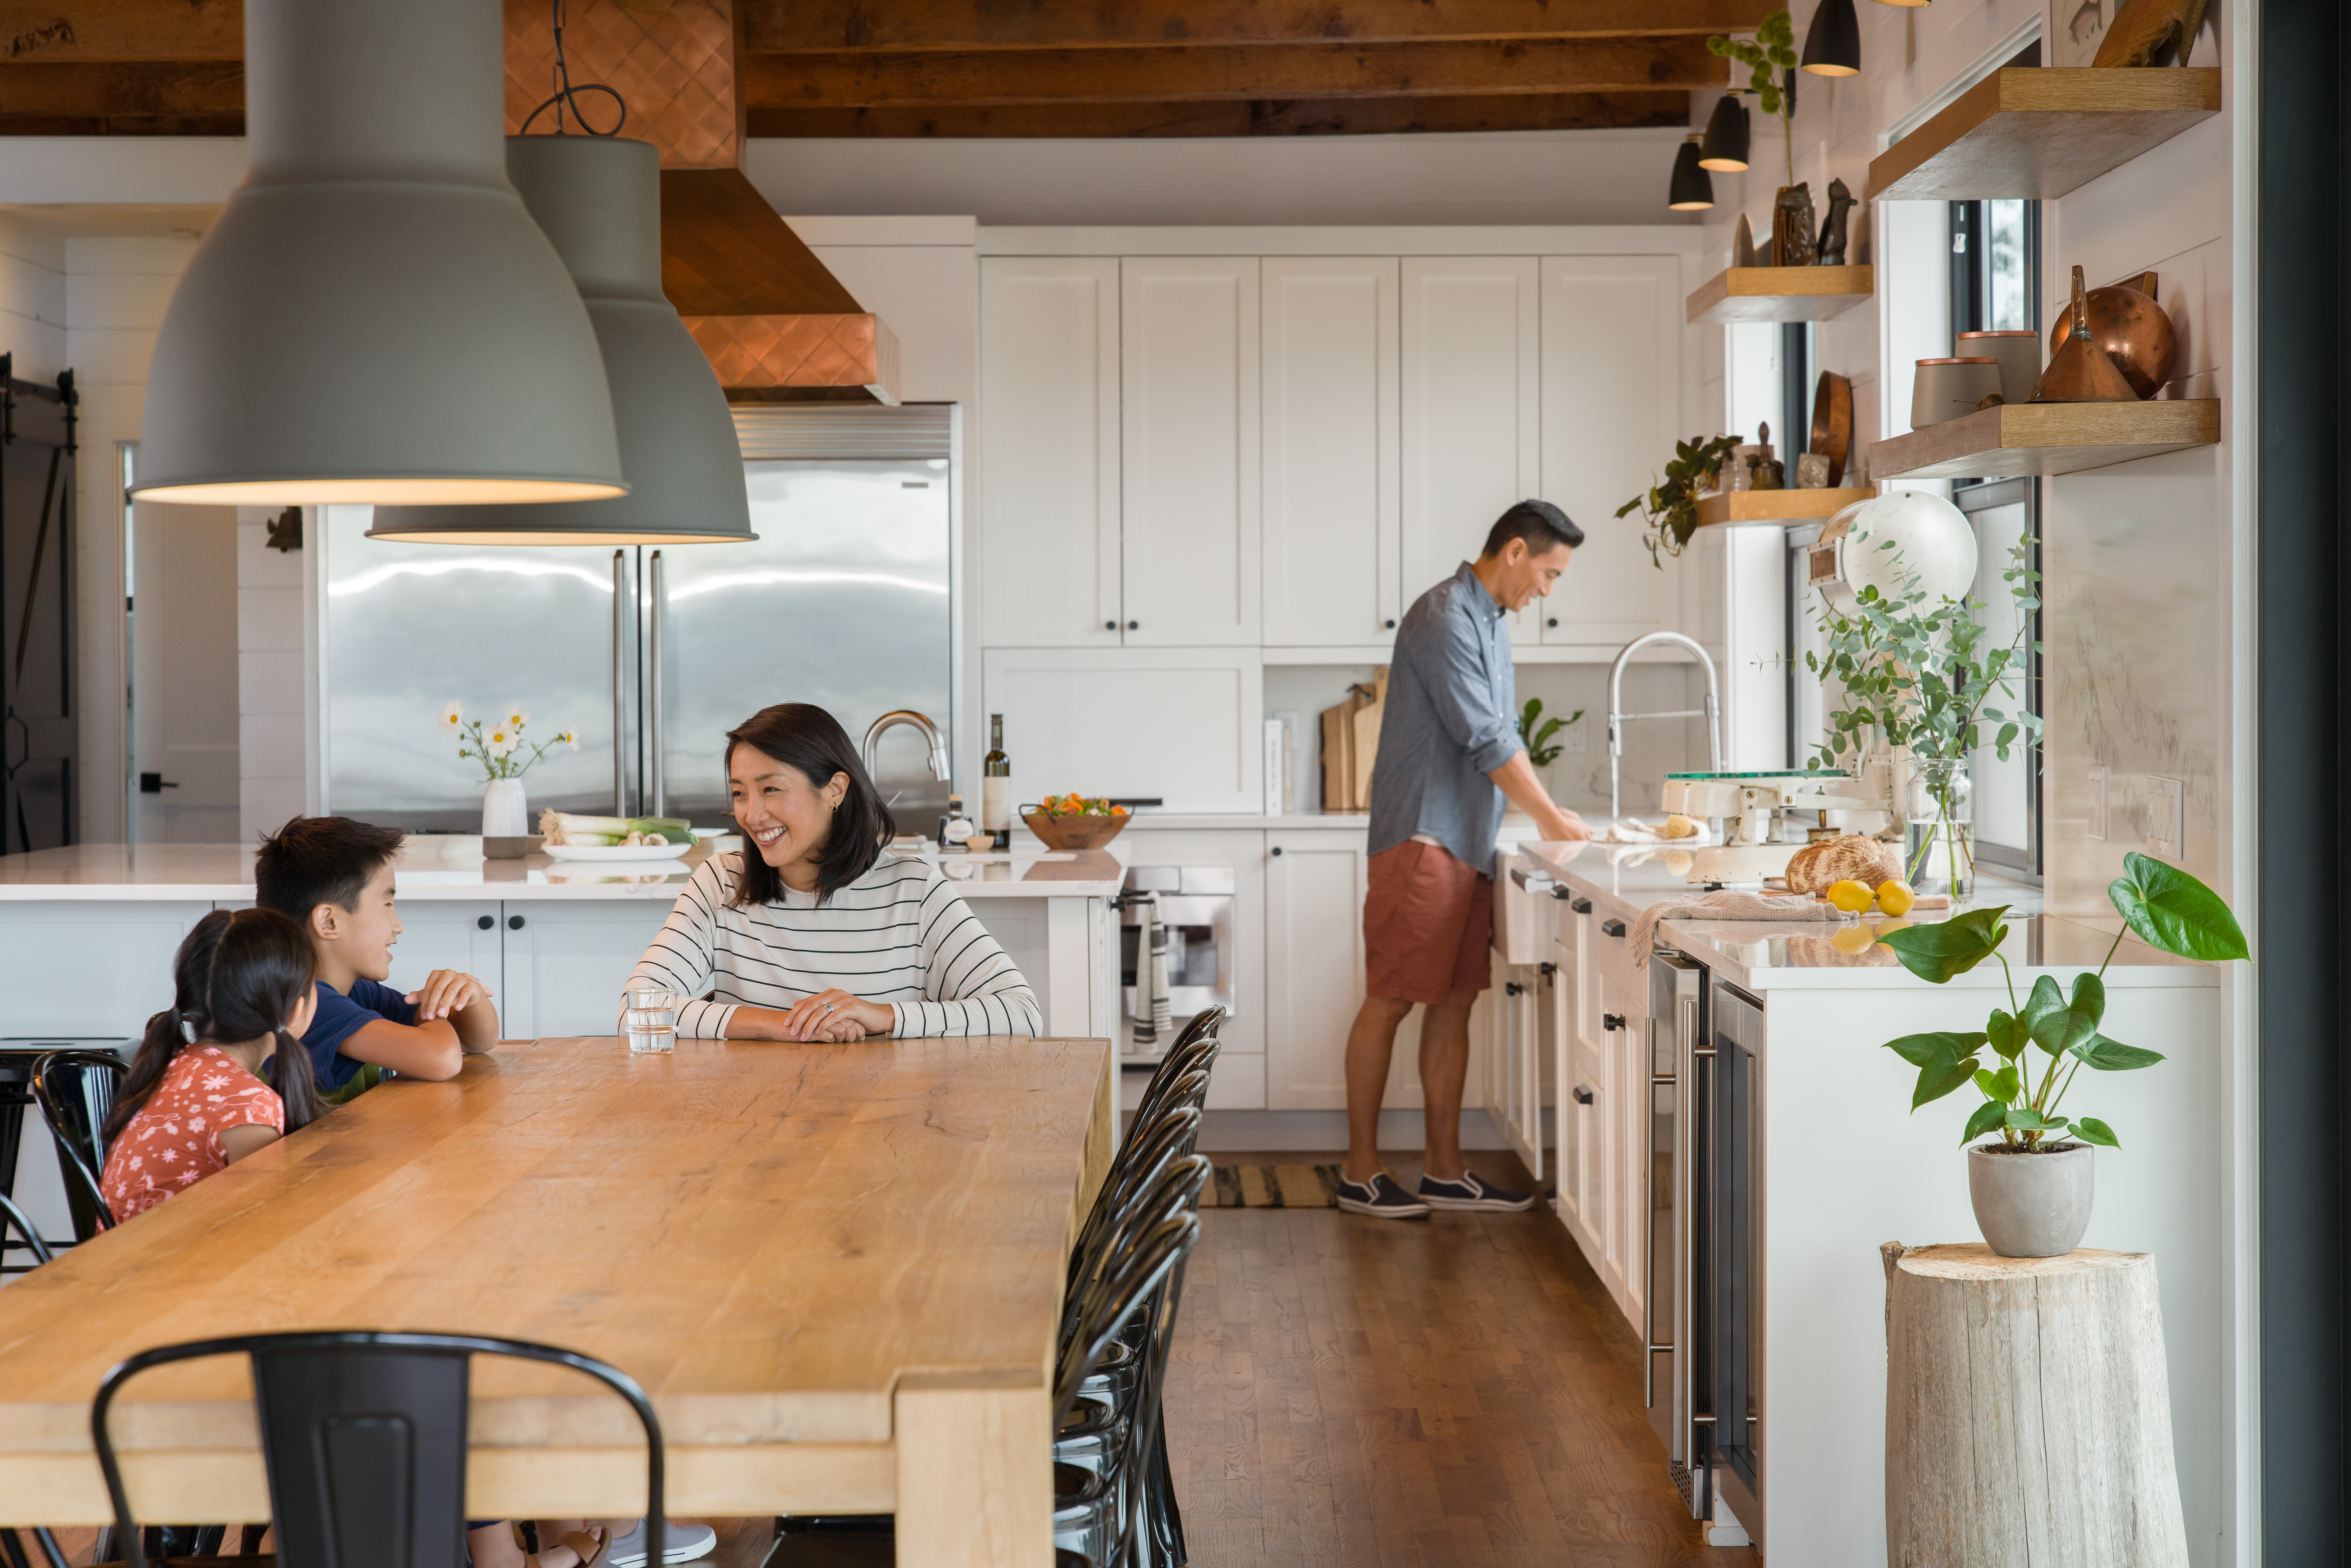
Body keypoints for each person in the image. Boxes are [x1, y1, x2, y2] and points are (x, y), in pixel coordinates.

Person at [1336, 500, 1594, 1220]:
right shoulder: (1443, 616)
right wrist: (1549, 816)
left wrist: (1542, 814)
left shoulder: (1488, 622)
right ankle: (1358, 1172)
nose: (1547, 590)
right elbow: (1486, 736)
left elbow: (1499, 734)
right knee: (1390, 999)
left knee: (1454, 1002)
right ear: (1513, 551)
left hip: (1467, 841)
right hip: (1422, 838)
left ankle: (1443, 1170)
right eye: (1547, 572)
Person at [624, 702, 1042, 1040]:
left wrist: (882, 1017)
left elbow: (1021, 1012)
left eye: (771, 789)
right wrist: (785, 1025)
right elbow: (635, 1010)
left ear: (836, 790)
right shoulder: (721, 883)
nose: (752, 815)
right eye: (739, 793)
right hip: (750, 1118)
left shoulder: (915, 892)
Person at [99, 907, 325, 1221]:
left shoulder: (172, 1068)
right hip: (171, 1267)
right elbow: (270, 1220)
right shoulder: (247, 1106)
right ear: (295, 1012)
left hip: (121, 1263)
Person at [254, 815, 500, 1099]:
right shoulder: (305, 1002)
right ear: (329, 922)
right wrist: (435, 1012)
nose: (398, 925)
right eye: (387, 904)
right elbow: (443, 1058)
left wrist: (469, 996)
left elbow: (478, 1041)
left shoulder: (356, 992)